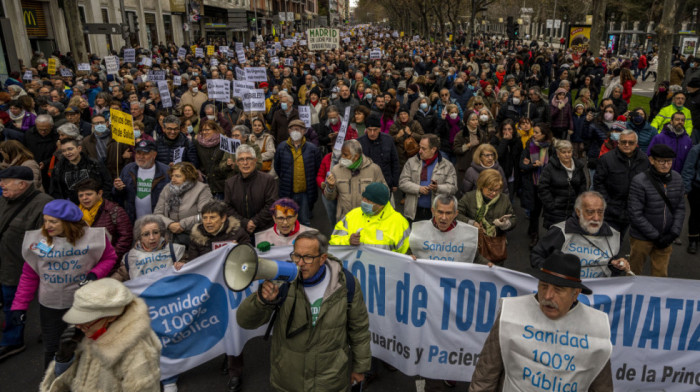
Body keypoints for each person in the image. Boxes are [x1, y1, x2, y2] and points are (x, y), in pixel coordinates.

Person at [237, 230, 371, 392]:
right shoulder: (282, 280)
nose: (300, 263)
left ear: (322, 258)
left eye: (307, 257)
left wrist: (360, 368)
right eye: (296, 256)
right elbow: (245, 321)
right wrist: (261, 301)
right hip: (288, 379)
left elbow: (359, 329)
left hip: (330, 380)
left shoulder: (346, 284)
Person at [469, 251, 613, 391]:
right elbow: (485, 376)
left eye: (558, 289)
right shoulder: (511, 313)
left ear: (575, 294)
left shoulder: (596, 327)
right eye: (544, 286)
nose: (548, 296)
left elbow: (601, 385)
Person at [11, 199, 117, 367]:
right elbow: (30, 274)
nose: (47, 226)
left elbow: (110, 258)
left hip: (83, 303)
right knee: (52, 349)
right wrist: (19, 306)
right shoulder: (43, 241)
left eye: (53, 221)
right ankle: (52, 382)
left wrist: (94, 274)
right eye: (45, 220)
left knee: (85, 347)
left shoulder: (91, 238)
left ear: (68, 222)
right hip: (51, 306)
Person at [39, 278, 161, 392]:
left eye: (86, 319)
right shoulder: (83, 337)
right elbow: (64, 385)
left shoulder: (137, 353)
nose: (78, 325)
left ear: (111, 316)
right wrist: (64, 359)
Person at [0, 166, 53, 361]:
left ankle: (12, 341)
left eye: (6, 182)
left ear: (22, 184)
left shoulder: (44, 205)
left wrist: (34, 263)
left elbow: (49, 240)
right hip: (4, 262)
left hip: (20, 268)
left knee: (14, 304)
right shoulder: (5, 200)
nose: (1, 185)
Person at [531, 191, 631, 277]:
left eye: (600, 212)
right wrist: (551, 274)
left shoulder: (612, 235)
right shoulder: (561, 231)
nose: (596, 218)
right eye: (590, 212)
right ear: (578, 212)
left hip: (596, 295)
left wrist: (617, 266)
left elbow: (611, 269)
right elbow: (537, 255)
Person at [628, 144, 686, 277]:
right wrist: (656, 236)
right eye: (661, 161)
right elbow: (635, 214)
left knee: (660, 277)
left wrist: (674, 233)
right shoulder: (639, 181)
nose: (666, 165)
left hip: (666, 237)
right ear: (651, 160)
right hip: (641, 238)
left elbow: (680, 208)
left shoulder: (677, 178)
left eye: (669, 161)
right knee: (633, 273)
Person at [593, 130, 650, 238]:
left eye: (631, 142)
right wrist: (607, 203)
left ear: (636, 143)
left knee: (620, 238)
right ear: (618, 142)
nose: (627, 145)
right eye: (624, 142)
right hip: (610, 210)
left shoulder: (644, 160)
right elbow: (598, 183)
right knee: (606, 240)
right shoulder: (606, 159)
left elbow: (647, 183)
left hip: (632, 209)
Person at [330, 182, 410, 254]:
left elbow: (403, 257)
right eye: (363, 198)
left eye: (369, 200)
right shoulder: (352, 215)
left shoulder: (399, 223)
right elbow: (333, 241)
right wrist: (348, 241)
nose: (364, 202)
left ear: (381, 205)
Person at [457, 169, 515, 265]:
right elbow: (456, 214)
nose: (493, 193)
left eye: (497, 190)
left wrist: (506, 224)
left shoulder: (504, 199)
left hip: (495, 246)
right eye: (490, 190)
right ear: (481, 185)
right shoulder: (469, 197)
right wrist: (471, 223)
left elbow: (513, 218)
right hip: (473, 245)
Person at [399, 134, 458, 222]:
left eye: (424, 148)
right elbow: (402, 183)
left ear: (433, 149)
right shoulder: (411, 162)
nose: (420, 151)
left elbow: (453, 188)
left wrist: (438, 188)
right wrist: (419, 189)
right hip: (413, 213)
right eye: (420, 147)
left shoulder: (447, 165)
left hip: (435, 214)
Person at [324, 139, 387, 222]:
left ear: (356, 156)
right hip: (345, 219)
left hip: (368, 219)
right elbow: (329, 197)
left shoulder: (374, 169)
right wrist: (330, 187)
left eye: (345, 155)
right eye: (342, 154)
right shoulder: (336, 170)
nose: (342, 157)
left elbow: (384, 193)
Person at [274, 119, 321, 226]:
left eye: (298, 129)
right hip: (287, 191)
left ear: (304, 131)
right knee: (288, 221)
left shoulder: (312, 149)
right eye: (292, 129)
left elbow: (317, 168)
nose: (295, 131)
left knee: (305, 221)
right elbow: (277, 166)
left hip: (305, 192)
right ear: (289, 131)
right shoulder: (281, 147)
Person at [224, 144, 277, 241]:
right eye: (241, 159)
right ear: (236, 163)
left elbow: (271, 205)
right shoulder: (230, 183)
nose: (245, 163)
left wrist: (254, 222)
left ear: (255, 160)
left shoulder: (268, 180)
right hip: (240, 232)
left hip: (264, 230)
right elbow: (228, 208)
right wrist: (245, 223)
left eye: (249, 159)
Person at [153, 162, 213, 246]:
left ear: (189, 176)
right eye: (172, 176)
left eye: (178, 176)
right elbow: (157, 213)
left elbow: (205, 215)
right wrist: (170, 224)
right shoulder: (167, 188)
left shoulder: (202, 189)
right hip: (169, 236)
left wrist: (182, 224)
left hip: (193, 236)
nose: (173, 179)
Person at [111, 215, 185, 281]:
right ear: (139, 237)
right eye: (146, 234)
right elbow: (118, 278)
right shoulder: (131, 257)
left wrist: (183, 265)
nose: (152, 237)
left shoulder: (174, 250)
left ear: (161, 233)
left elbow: (190, 268)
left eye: (156, 232)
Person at [76, 179, 132, 265]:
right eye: (81, 195)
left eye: (89, 194)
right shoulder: (74, 214)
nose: (84, 198)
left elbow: (125, 237)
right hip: (82, 264)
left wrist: (110, 258)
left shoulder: (115, 211)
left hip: (109, 263)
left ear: (100, 193)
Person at [408, 194, 479, 263]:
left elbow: (474, 256)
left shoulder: (468, 234)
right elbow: (410, 252)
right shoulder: (419, 231)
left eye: (448, 213)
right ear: (433, 211)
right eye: (440, 212)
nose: (444, 217)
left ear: (455, 214)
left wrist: (487, 265)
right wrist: (408, 257)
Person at [114, 139, 170, 222]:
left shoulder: (166, 171)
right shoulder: (128, 169)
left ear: (154, 155)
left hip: (158, 221)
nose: (141, 157)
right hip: (133, 221)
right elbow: (118, 197)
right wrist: (118, 189)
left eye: (145, 153)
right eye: (138, 153)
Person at [537, 140, 587, 229]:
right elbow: (543, 187)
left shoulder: (578, 166)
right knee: (555, 238)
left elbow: (583, 184)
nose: (567, 154)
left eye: (569, 152)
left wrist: (580, 202)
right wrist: (551, 204)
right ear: (557, 153)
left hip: (573, 211)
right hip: (555, 212)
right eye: (564, 152)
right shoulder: (549, 168)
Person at [49, 137, 112, 204]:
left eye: (70, 149)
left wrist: (102, 201)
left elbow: (107, 184)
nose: (67, 153)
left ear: (79, 148)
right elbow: (54, 190)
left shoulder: (94, 164)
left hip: (95, 204)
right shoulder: (58, 168)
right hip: (71, 207)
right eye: (64, 151)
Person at [520, 124, 553, 247]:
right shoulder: (529, 146)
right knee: (534, 211)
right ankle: (535, 235)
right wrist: (532, 165)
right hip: (532, 183)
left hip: (546, 184)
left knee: (544, 211)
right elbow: (522, 165)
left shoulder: (551, 148)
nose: (534, 134)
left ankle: (536, 231)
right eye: (534, 132)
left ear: (544, 135)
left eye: (537, 132)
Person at [357, 113, 401, 194]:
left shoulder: (388, 140)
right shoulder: (359, 142)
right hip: (366, 183)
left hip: (385, 182)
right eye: (369, 130)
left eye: (375, 130)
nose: (372, 133)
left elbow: (395, 162)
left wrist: (395, 182)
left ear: (380, 129)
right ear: (366, 129)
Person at [193, 120, 230, 199]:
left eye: (207, 130)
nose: (204, 132)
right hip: (204, 183)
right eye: (203, 130)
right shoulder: (197, 143)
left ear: (215, 130)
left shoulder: (224, 142)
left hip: (220, 184)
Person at [454, 112, 488, 188]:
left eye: (476, 119)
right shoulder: (460, 134)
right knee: (463, 190)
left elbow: (486, 148)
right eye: (473, 120)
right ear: (467, 122)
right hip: (463, 168)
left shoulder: (482, 134)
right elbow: (456, 149)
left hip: (479, 167)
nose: (476, 121)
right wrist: (468, 145)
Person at [682, 143, 700, 254]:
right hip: (697, 188)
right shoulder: (696, 149)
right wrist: (687, 189)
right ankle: (693, 240)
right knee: (696, 214)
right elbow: (688, 168)